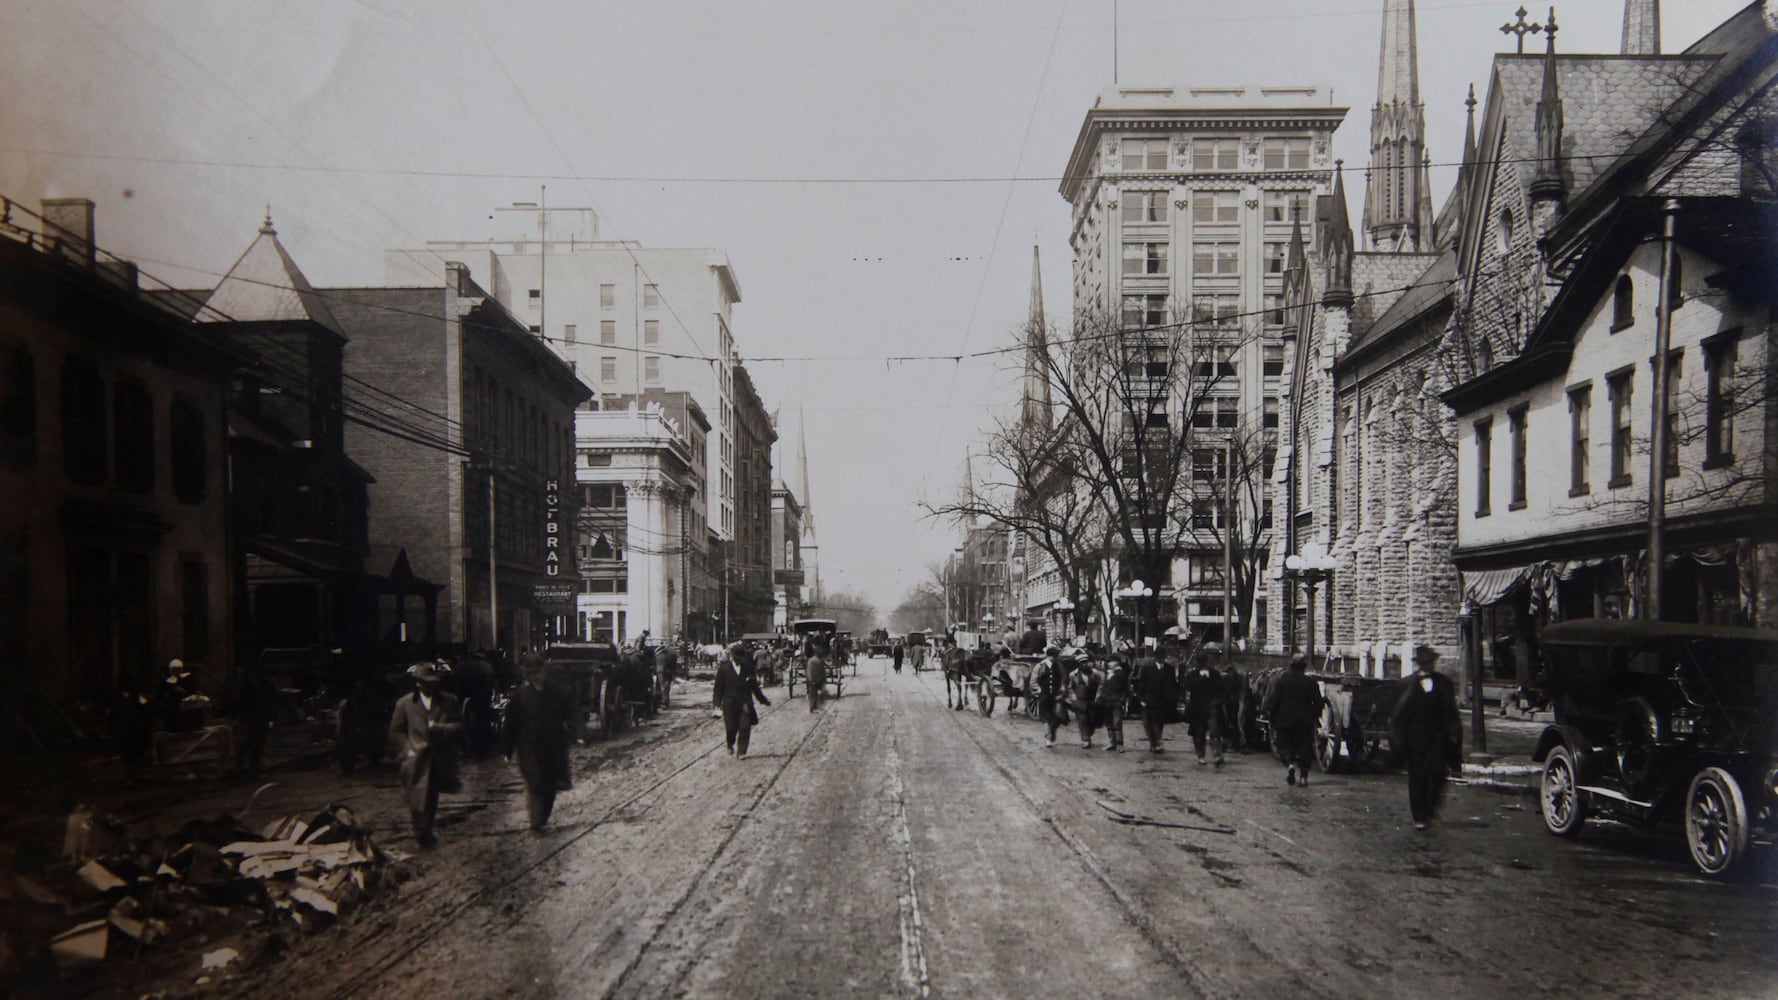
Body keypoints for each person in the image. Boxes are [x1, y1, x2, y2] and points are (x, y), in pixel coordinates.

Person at [387, 662, 463, 848]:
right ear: (418, 683)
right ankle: (421, 831)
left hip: (438, 757)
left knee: (431, 796)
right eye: (425, 682)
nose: (430, 686)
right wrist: (407, 750)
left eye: (433, 682)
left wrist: (441, 728)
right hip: (415, 759)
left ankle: (425, 830)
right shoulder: (405, 704)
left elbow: (459, 726)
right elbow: (395, 732)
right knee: (417, 797)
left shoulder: (449, 701)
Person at [1390, 644, 1463, 830]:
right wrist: (1399, 744)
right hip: (1415, 739)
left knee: (1439, 775)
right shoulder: (1406, 685)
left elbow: (1451, 714)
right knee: (1417, 778)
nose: (1429, 666)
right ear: (1419, 665)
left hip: (1437, 738)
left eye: (1431, 663)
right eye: (1425, 663)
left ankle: (1431, 808)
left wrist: (1454, 739)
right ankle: (1419, 817)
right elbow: (1399, 717)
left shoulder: (1444, 684)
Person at [502, 652, 574, 831]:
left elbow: (571, 714)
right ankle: (535, 819)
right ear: (528, 675)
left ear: (544, 671)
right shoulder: (519, 697)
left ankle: (541, 818)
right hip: (528, 746)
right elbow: (510, 724)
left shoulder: (557, 692)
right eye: (532, 674)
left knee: (550, 782)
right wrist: (506, 749)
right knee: (535, 780)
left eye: (539, 672)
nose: (536, 676)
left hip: (553, 745)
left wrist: (577, 733)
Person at [1263, 654, 1325, 786]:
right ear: (1304, 667)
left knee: (1284, 745)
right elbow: (1319, 703)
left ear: (1291, 666)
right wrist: (1313, 716)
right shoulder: (1311, 683)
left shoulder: (1281, 681)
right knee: (1305, 748)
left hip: (1285, 721)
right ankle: (1303, 776)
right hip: (1305, 722)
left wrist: (1272, 719)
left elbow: (1274, 702)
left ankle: (1290, 765)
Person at [714, 642, 771, 757]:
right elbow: (718, 689)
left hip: (745, 704)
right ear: (732, 656)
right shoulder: (724, 669)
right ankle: (730, 743)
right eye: (737, 657)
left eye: (742, 657)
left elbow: (754, 687)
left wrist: (763, 700)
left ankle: (742, 751)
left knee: (745, 727)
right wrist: (717, 705)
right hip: (729, 705)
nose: (740, 660)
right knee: (731, 728)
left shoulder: (748, 668)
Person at [1180, 651, 1227, 766]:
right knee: (1199, 733)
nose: (1202, 664)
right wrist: (1201, 679)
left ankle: (1217, 753)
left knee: (1214, 731)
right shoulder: (1193, 675)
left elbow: (1221, 690)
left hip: (1212, 707)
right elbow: (1187, 686)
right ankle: (1200, 755)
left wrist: (1217, 702)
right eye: (1199, 662)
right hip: (1198, 708)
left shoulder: (1215, 675)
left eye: (1203, 662)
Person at [1131, 647, 1173, 753]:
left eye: (1162, 656)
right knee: (1149, 723)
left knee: (1159, 723)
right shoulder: (1147, 669)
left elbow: (1172, 685)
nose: (1161, 658)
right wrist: (1142, 699)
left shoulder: (1169, 669)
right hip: (1149, 700)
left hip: (1163, 701)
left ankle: (1157, 742)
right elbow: (1141, 685)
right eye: (1159, 656)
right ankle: (1154, 742)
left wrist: (1172, 698)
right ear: (1156, 657)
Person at [1031, 647, 1066, 748]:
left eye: (1055, 657)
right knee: (1046, 717)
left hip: (1057, 695)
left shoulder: (1059, 666)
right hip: (1045, 695)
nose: (1053, 659)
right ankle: (1048, 737)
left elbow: (1064, 678)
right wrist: (1039, 690)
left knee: (1058, 716)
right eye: (1051, 657)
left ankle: (1052, 732)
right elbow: (1034, 680)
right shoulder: (1040, 666)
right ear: (1047, 656)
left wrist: (1063, 688)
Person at [1098, 653, 1131, 752]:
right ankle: (1111, 742)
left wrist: (1122, 699)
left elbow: (1126, 688)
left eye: (1111, 662)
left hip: (1116, 701)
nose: (1109, 664)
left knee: (1117, 722)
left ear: (1117, 663)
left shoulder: (1121, 673)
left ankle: (1120, 744)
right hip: (1106, 701)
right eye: (1108, 662)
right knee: (1108, 723)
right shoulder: (1108, 673)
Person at [1065, 654, 1100, 749]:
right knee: (1082, 720)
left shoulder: (1095, 673)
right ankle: (1085, 740)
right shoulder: (1073, 675)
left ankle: (1089, 733)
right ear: (1078, 664)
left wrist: (1098, 696)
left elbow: (1100, 685)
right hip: (1080, 700)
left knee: (1092, 719)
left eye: (1086, 662)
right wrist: (1073, 697)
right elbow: (1070, 687)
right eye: (1082, 663)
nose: (1085, 665)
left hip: (1092, 700)